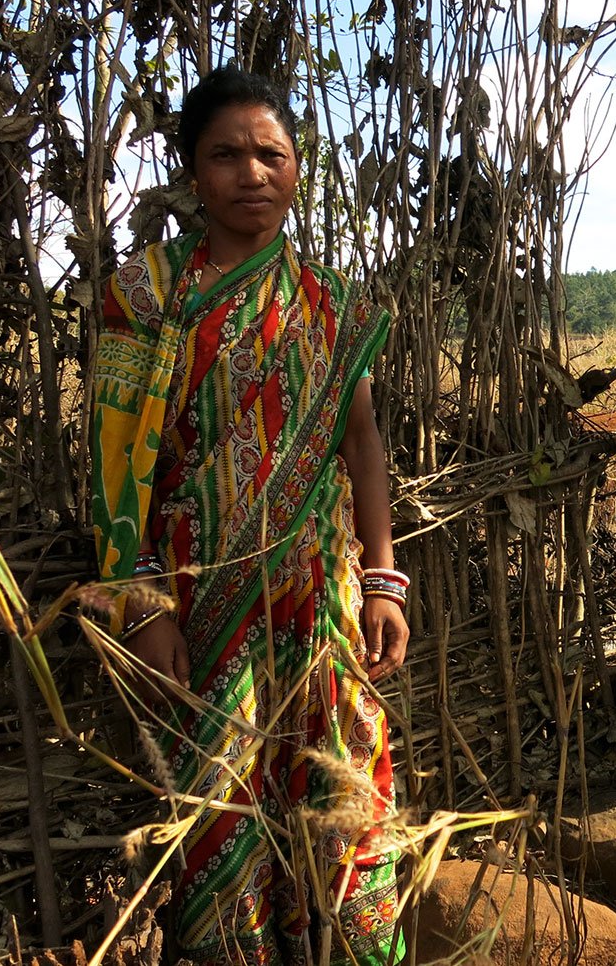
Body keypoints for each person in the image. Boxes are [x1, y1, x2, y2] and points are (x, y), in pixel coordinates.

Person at [91, 64, 410, 965]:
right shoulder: (147, 299)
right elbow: (120, 472)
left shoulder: (329, 305)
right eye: (226, 154)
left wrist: (383, 580)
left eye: (270, 153)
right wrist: (142, 601)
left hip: (320, 605)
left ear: (298, 168)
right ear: (193, 171)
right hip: (201, 604)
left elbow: (361, 441)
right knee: (220, 811)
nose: (251, 172)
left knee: (343, 800)